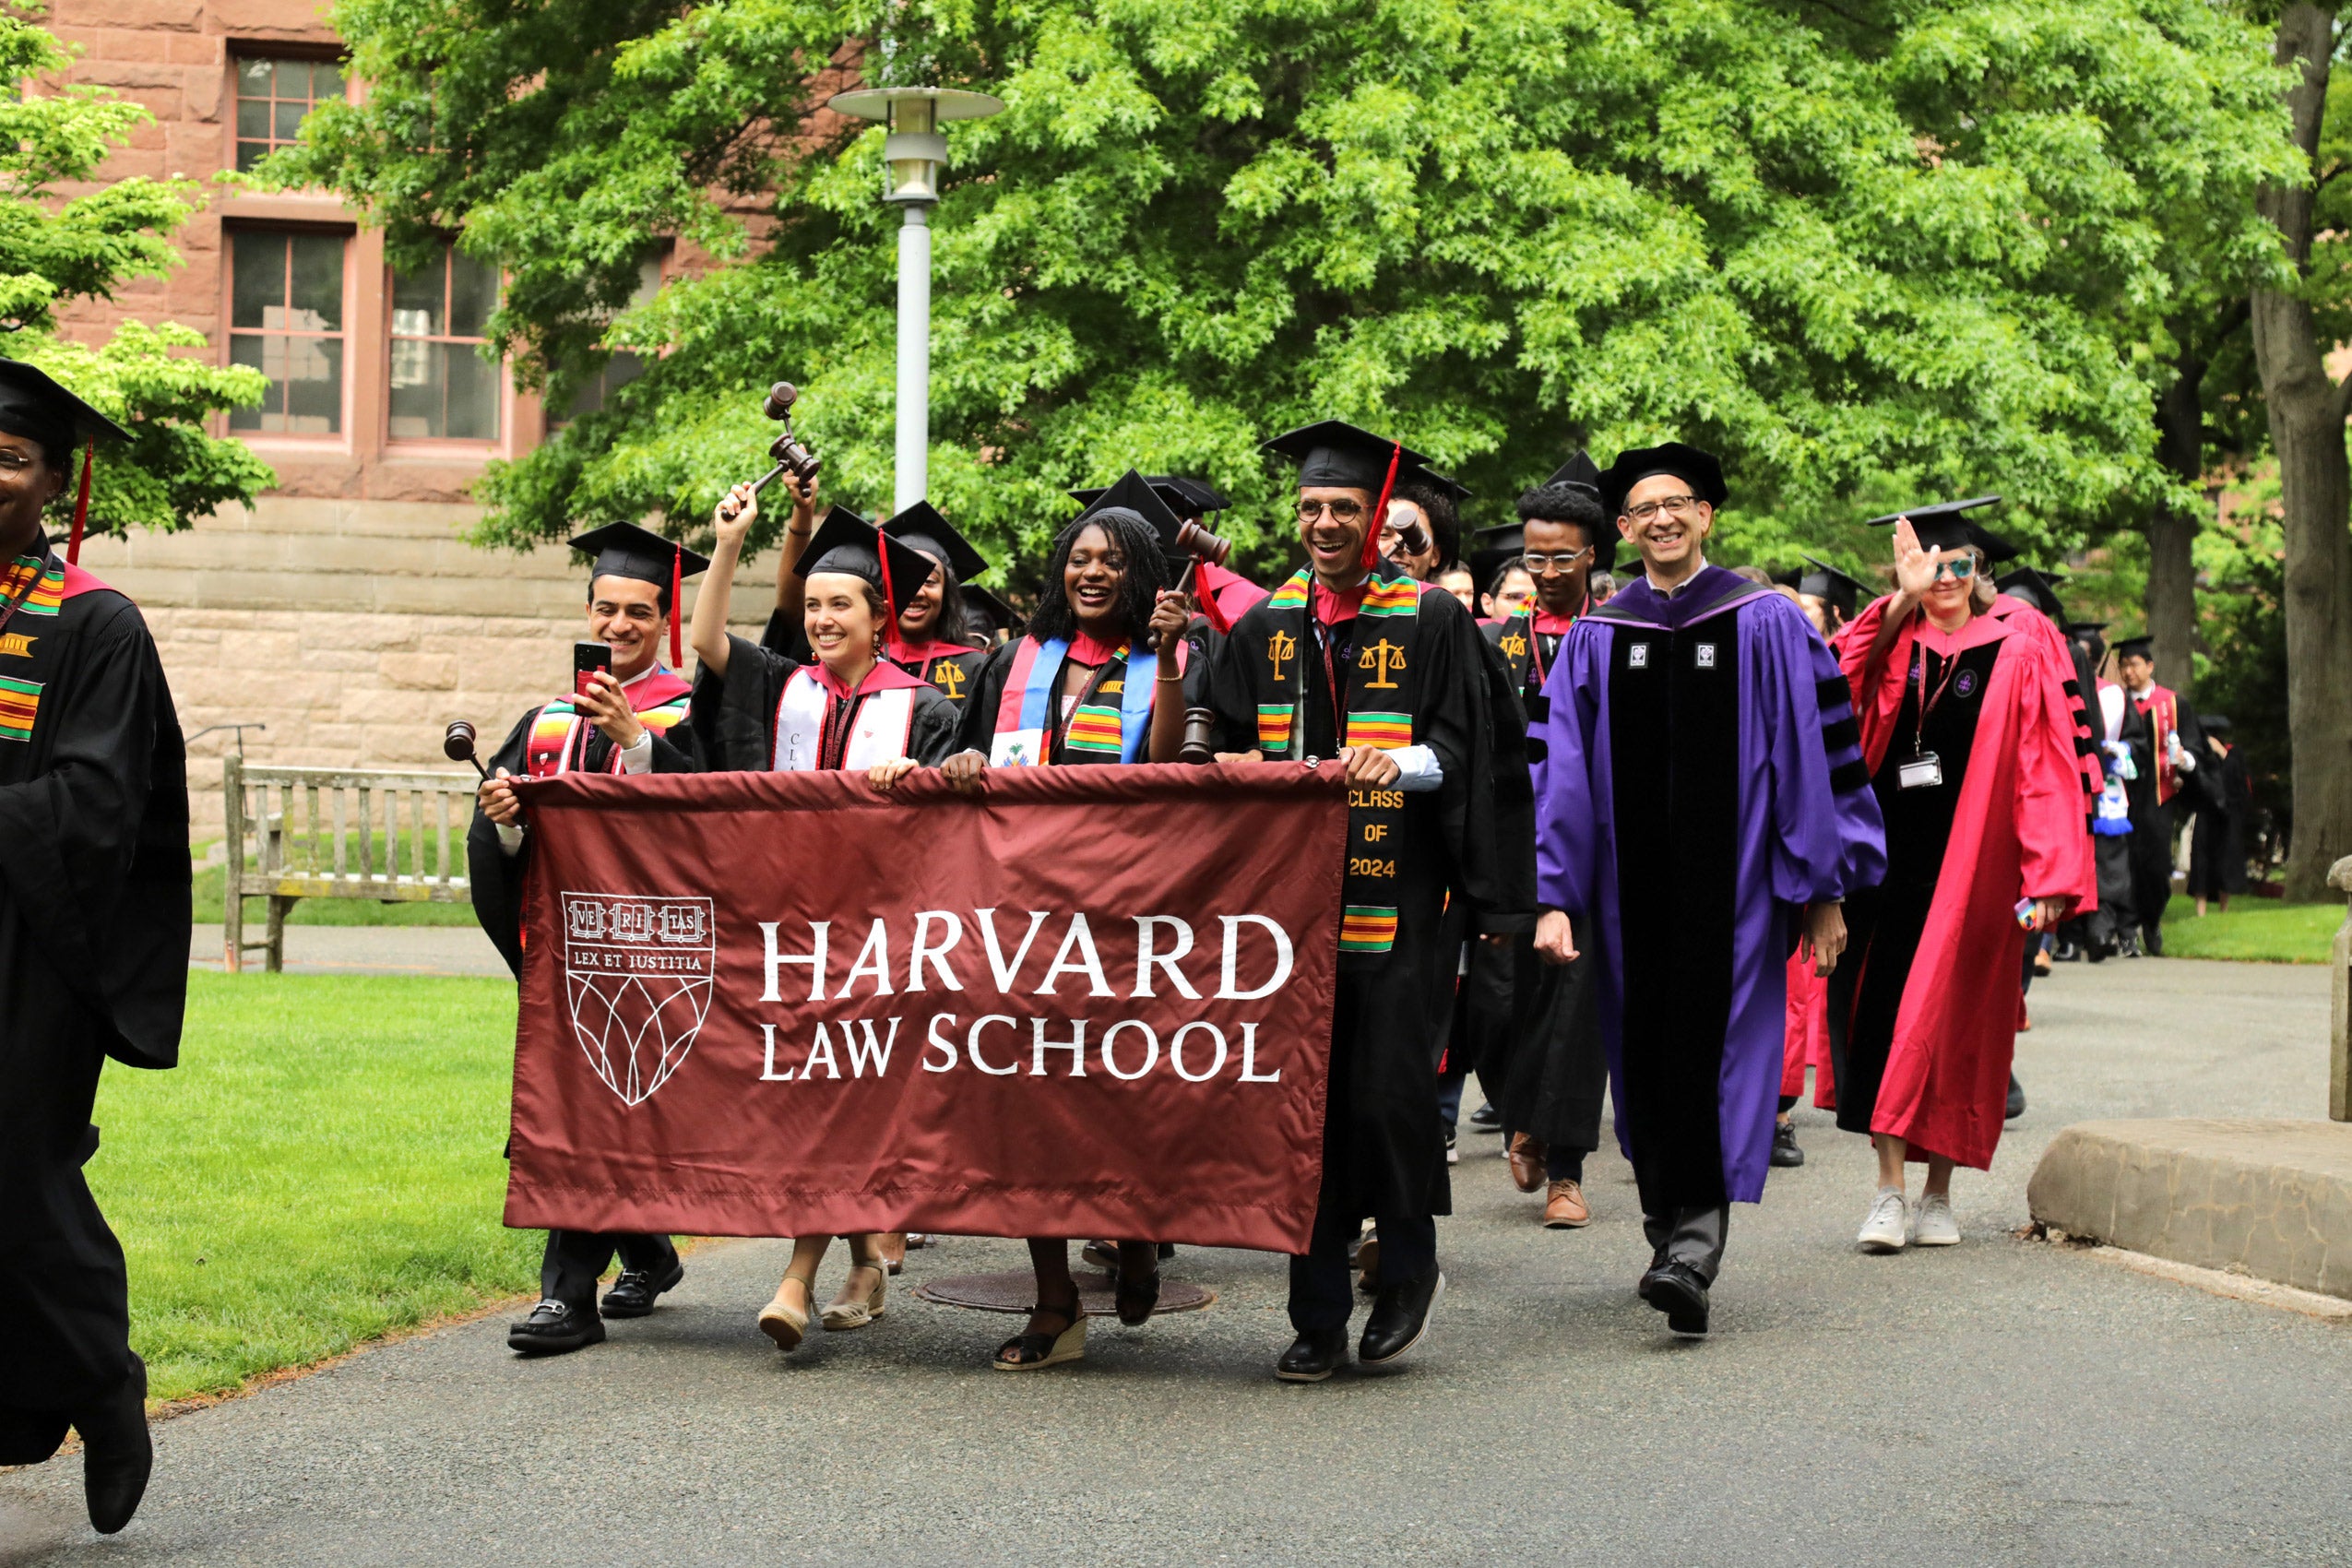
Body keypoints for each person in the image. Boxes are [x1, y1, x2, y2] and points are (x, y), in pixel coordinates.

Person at [1529, 441, 1884, 1338]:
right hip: (1624, 889)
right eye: (1644, 507)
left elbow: (1819, 753)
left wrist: (1824, 885)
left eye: (1678, 502)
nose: (1661, 517)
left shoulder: (1766, 619)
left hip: (1737, 888)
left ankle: (1693, 1240)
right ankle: (1668, 1232)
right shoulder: (1599, 638)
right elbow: (1560, 771)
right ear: (1622, 527)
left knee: (1715, 1049)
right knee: (1643, 1053)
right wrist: (1555, 891)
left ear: (1706, 515)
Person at [1206, 420, 1523, 1381]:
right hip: (1289, 920)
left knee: (1385, 1098)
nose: (1326, 522)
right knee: (1300, 1108)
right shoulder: (1266, 625)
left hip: (1401, 909)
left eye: (1345, 507)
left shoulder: (1428, 618)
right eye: (1312, 507)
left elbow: (1477, 751)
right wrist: (1224, 764)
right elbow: (1218, 737)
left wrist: (1405, 763)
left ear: (1377, 518)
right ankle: (1314, 1312)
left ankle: (1409, 1267)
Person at [931, 470, 1197, 1371]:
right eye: (1079, 557)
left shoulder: (1170, 659)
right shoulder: (1015, 661)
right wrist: (966, 764)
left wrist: (1165, 659)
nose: (1092, 572)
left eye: (1112, 561)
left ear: (1142, 574)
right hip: (1020, 913)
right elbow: (973, 756)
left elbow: (1166, 771)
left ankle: (1133, 1230)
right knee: (1026, 1107)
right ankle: (1052, 1299)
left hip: (1122, 914)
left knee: (1119, 1091)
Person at [692, 492, 964, 1349]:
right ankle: (866, 1262)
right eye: (810, 605)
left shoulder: (924, 709)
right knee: (825, 1100)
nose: (819, 619)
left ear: (879, 618)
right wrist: (729, 545)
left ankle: (796, 1278)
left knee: (833, 1100)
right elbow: (703, 642)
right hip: (789, 926)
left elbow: (947, 832)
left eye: (838, 603)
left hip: (882, 938)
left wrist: (922, 783)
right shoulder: (781, 687)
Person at [0, 361, 187, 1535]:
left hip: (33, 945)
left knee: (17, 1183)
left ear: (53, 483)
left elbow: (100, 806)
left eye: (10, 459)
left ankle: (105, 1385)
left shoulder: (95, 624)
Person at [469, 520, 708, 1356]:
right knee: (586, 1109)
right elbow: (497, 846)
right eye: (605, 610)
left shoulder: (687, 711)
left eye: (637, 613)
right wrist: (504, 826)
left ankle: (568, 1298)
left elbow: (714, 822)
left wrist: (638, 743)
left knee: (608, 1104)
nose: (618, 627)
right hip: (563, 952)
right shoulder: (544, 720)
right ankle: (640, 1254)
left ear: (663, 618)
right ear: (587, 609)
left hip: (656, 954)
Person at [1829, 508, 2094, 1253]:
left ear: (1980, 572)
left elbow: (2046, 761)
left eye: (1958, 567)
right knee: (1879, 1019)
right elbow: (1839, 691)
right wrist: (1900, 602)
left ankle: (1938, 1194)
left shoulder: (2019, 642)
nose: (1945, 580)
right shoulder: (1892, 638)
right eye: (1930, 567)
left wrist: (2048, 873)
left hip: (1977, 866)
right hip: (1886, 864)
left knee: (1956, 1027)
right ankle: (1887, 1192)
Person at [1468, 453, 1611, 1230]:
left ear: (1592, 556)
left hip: (1589, 843)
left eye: (1562, 557)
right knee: (1496, 1004)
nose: (1547, 570)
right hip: (1506, 842)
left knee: (1574, 1008)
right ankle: (1519, 1111)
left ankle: (1566, 1170)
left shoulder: (1617, 636)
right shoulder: (1494, 640)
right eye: (1535, 557)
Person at [766, 492, 992, 714]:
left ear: (947, 592)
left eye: (930, 581)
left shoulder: (976, 667)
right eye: (903, 583)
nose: (916, 592)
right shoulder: (846, 659)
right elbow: (790, 612)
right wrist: (803, 513)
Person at [2112, 636, 2204, 956]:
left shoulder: (2174, 704)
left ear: (2150, 666)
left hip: (2159, 795)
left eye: (2134, 664)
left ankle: (2151, 920)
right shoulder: (2115, 703)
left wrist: (2185, 761)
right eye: (2123, 665)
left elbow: (2194, 745)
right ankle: (2127, 929)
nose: (2128, 671)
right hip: (2121, 796)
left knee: (2154, 864)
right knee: (2123, 864)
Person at [2189, 714, 2250, 915]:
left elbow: (2239, 783)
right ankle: (2201, 911)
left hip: (2228, 816)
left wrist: (2222, 753)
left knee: (2225, 862)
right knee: (2201, 862)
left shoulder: (2234, 754)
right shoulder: (2199, 755)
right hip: (2205, 813)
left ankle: (2224, 909)